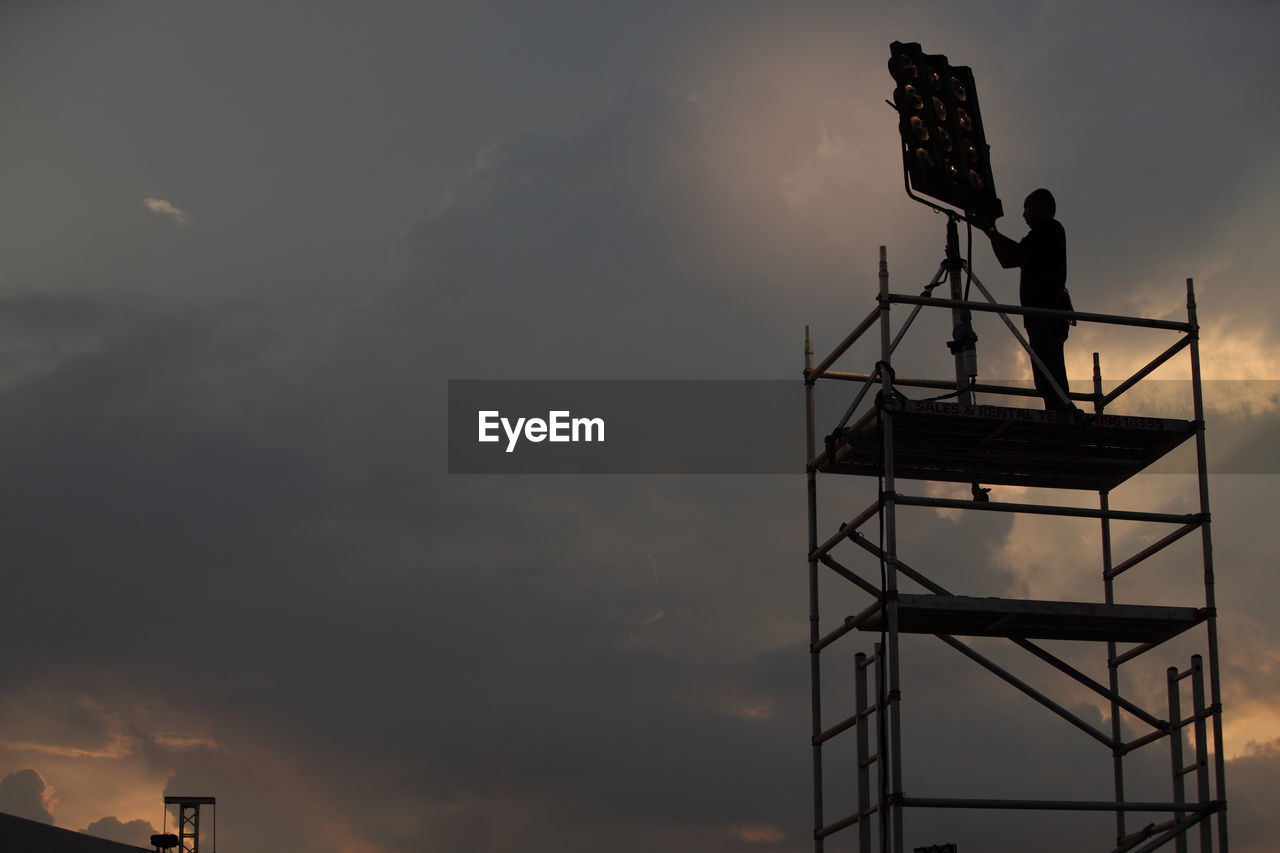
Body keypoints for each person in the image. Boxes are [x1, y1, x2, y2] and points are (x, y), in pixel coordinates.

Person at [976, 188, 1074, 412]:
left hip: (1047, 313)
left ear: (1042, 206)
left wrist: (991, 230)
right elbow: (1006, 259)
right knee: (1045, 372)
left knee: (1051, 370)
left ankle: (1062, 412)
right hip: (1040, 316)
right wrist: (990, 231)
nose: (1024, 214)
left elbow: (1019, 254)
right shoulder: (1036, 237)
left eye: (1027, 207)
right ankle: (1058, 410)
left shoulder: (1050, 229)